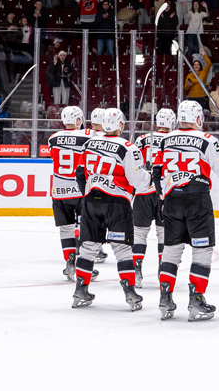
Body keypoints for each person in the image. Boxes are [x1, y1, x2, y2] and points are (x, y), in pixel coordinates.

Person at [152, 99, 219, 321]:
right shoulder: (207, 140)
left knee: (171, 250)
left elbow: (157, 171)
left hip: (172, 199)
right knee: (202, 250)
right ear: (197, 118)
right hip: (197, 200)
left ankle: (165, 297)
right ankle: (196, 299)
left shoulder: (165, 140)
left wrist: (164, 195)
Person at [72, 108, 147, 311]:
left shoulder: (88, 144)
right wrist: (147, 175)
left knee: (88, 247)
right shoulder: (128, 147)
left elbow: (79, 173)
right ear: (120, 125)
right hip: (117, 203)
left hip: (91, 201)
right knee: (122, 249)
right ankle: (130, 293)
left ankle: (80, 290)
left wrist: (86, 194)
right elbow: (136, 179)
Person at [48, 106, 92, 279]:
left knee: (65, 229)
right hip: (80, 190)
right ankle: (82, 265)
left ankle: (70, 262)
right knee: (84, 227)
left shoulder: (53, 138)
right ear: (78, 120)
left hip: (59, 191)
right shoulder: (88, 136)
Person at [133, 108, 175, 287]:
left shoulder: (142, 139)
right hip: (164, 192)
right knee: (163, 233)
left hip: (143, 191)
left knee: (139, 233)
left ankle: (136, 270)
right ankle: (162, 269)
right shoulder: (174, 140)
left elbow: (133, 164)